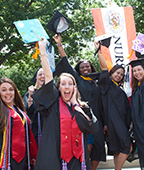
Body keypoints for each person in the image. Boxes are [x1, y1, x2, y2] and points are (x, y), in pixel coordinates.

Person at [32, 38, 99, 170]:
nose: (67, 87)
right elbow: (48, 76)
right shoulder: (53, 104)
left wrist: (75, 104)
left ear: (75, 87)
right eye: (63, 84)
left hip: (77, 160)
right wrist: (43, 52)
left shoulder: (83, 107)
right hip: (54, 157)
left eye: (70, 84)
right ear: (58, 88)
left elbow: (91, 127)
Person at [52, 34, 106, 170]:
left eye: (88, 66)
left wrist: (105, 123)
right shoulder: (77, 80)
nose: (86, 69)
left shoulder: (96, 82)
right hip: (81, 118)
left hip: (96, 119)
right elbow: (66, 62)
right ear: (79, 70)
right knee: (86, 148)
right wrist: (59, 44)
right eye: (82, 67)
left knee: (98, 150)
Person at [94, 41, 132, 170]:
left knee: (117, 150)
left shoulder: (120, 90)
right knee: (127, 146)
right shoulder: (107, 85)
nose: (119, 75)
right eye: (117, 72)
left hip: (120, 122)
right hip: (113, 121)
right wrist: (99, 51)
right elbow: (104, 68)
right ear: (111, 73)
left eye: (121, 74)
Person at [23, 68, 45, 146]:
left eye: (45, 74)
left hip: (49, 130)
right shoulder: (31, 92)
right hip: (35, 130)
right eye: (40, 75)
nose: (43, 76)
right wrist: (30, 96)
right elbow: (27, 112)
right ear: (36, 78)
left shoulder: (52, 93)